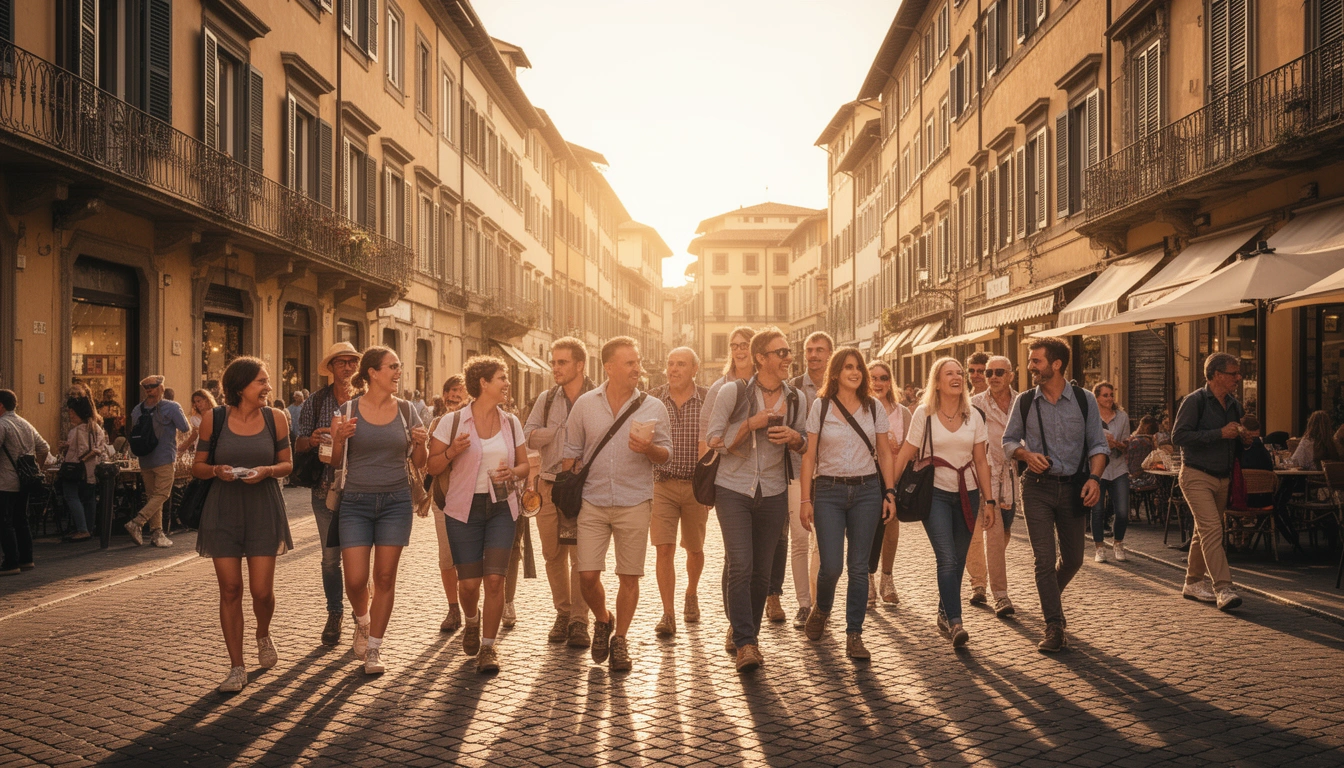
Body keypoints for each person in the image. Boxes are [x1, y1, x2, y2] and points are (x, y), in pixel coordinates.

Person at [563, 336, 671, 672]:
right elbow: (570, 452)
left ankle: (620, 639)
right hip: (592, 500)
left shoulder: (653, 407)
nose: (637, 368)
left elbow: (666, 455)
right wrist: (568, 484)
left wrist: (649, 450)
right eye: (629, 363)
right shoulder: (585, 404)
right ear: (608, 367)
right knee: (586, 575)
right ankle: (603, 618)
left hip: (635, 499)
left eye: (638, 362)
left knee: (629, 576)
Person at [705, 328, 805, 672]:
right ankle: (747, 644)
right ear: (761, 357)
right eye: (780, 352)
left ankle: (744, 630)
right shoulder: (731, 392)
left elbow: (805, 443)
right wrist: (751, 424)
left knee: (762, 573)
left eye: (788, 351)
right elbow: (714, 440)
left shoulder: (796, 399)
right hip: (733, 489)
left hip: (775, 490)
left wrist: (794, 438)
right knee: (741, 564)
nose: (788, 357)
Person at [193, 357, 294, 693]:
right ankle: (237, 667)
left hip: (263, 506)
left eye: (267, 381)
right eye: (261, 382)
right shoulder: (214, 418)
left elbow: (287, 464)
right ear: (240, 387)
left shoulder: (275, 418)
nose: (268, 387)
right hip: (223, 509)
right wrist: (216, 470)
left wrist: (266, 471)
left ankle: (262, 633)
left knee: (261, 592)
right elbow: (197, 466)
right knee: (231, 589)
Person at [1002, 338, 1108, 652]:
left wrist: (1095, 479)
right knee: (1044, 560)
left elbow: (1098, 445)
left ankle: (1049, 599)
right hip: (1037, 487)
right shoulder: (1024, 401)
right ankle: (1053, 625)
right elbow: (1008, 442)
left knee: (1074, 559)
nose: (1030, 367)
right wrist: (1025, 454)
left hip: (1074, 487)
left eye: (1036, 361)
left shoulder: (1084, 399)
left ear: (1056, 364)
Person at [328, 346, 429, 675]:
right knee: (356, 581)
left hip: (396, 502)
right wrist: (339, 439)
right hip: (355, 503)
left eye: (399, 367)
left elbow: (419, 463)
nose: (399, 372)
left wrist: (422, 444)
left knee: (384, 578)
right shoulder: (347, 409)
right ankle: (363, 620)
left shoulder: (406, 410)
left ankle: (374, 649)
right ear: (373, 372)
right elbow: (333, 460)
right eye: (393, 367)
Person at [427, 357, 529, 674]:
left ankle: (488, 647)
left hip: (502, 508)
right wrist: (452, 452)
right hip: (463, 510)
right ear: (483, 383)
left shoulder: (511, 423)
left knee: (495, 581)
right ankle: (472, 621)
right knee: (469, 585)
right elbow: (431, 467)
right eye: (501, 377)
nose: (506, 383)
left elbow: (526, 465)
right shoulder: (452, 422)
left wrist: (512, 471)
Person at [798, 347, 895, 659]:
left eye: (859, 367)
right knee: (831, 566)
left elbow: (884, 451)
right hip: (828, 491)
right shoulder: (821, 406)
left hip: (867, 491)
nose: (855, 372)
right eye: (848, 367)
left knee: (858, 567)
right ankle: (822, 609)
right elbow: (809, 455)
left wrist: (889, 492)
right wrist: (804, 499)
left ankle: (854, 634)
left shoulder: (874, 407)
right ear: (836, 372)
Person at [893, 358, 993, 648]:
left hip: (968, 493)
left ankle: (942, 609)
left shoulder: (973, 415)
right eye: (950, 373)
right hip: (934, 494)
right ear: (936, 381)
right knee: (947, 558)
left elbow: (981, 461)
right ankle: (956, 622)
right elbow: (905, 454)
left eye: (960, 373)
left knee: (958, 561)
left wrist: (990, 501)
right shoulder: (924, 414)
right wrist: (888, 490)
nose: (957, 377)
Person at [523, 338, 596, 648]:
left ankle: (580, 620)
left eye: (561, 362)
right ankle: (563, 613)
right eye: (553, 362)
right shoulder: (547, 398)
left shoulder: (598, 398)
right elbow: (527, 435)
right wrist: (557, 431)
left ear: (579, 365)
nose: (555, 368)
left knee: (582, 556)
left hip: (584, 487)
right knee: (553, 554)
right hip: (550, 484)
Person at [295, 342, 362, 646]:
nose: (347, 367)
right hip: (325, 490)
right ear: (331, 368)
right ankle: (335, 613)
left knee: (359, 559)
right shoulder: (315, 401)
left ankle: (363, 618)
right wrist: (312, 439)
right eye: (341, 362)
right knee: (329, 559)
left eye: (352, 362)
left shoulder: (365, 399)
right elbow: (297, 443)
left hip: (361, 489)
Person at [1173, 352, 1250, 612]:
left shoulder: (1234, 404)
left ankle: (1193, 582)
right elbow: (1179, 436)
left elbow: (1235, 437)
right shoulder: (1194, 401)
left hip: (1223, 477)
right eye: (1233, 373)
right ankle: (1223, 588)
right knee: (1213, 531)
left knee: (1203, 531)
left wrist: (1244, 438)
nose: (1238, 378)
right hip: (1196, 474)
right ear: (1217, 375)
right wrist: (1219, 433)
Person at [649, 347, 709, 638]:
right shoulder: (653, 399)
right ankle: (668, 613)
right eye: (670, 363)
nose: (673, 369)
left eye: (681, 364)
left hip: (697, 486)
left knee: (695, 549)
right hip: (662, 483)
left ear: (694, 369)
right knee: (664, 548)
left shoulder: (708, 399)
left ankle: (692, 592)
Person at [778, 331, 833, 627]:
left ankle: (821, 604)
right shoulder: (792, 388)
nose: (813, 354)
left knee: (824, 543)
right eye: (809, 349)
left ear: (829, 354)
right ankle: (803, 604)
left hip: (832, 475)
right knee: (799, 540)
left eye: (819, 350)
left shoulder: (841, 388)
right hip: (798, 472)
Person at [968, 355, 1017, 618]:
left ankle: (984, 577)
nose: (993, 377)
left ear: (1011, 374)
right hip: (985, 476)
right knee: (992, 535)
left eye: (999, 372)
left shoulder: (1023, 401)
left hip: (1014, 478)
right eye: (989, 373)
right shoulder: (975, 404)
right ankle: (999, 594)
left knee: (1005, 531)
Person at [125, 375, 190, 548]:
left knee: (153, 496)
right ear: (162, 388)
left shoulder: (137, 409)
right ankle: (137, 522)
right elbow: (185, 427)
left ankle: (156, 533)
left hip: (144, 459)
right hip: (164, 457)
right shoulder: (172, 407)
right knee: (162, 495)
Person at [427, 375, 468, 634]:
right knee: (447, 557)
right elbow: (430, 464)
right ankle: (453, 608)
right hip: (443, 498)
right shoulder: (436, 423)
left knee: (471, 559)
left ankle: (472, 607)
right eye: (450, 391)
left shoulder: (476, 421)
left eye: (459, 392)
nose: (454, 396)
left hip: (471, 498)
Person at [867, 360, 910, 606]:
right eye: (873, 378)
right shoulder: (861, 407)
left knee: (891, 527)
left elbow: (908, 446)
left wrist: (894, 479)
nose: (878, 383)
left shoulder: (901, 412)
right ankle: (868, 579)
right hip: (868, 476)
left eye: (883, 378)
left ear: (890, 381)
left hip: (895, 477)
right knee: (868, 529)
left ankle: (887, 578)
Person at [0, 391, 50, 575]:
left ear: (1, 405)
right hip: (25, 482)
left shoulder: (2, 424)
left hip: (5, 481)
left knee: (4, 522)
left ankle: (11, 562)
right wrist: (38, 469)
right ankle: (26, 559)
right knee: (21, 519)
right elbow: (44, 448)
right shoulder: (25, 424)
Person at [1091, 382, 1132, 564]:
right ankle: (1099, 547)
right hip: (1098, 469)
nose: (1109, 398)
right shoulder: (1090, 417)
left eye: (1111, 395)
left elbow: (1126, 445)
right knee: (1097, 510)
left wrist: (1118, 444)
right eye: (1105, 395)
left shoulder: (1122, 417)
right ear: (1097, 397)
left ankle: (1118, 543)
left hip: (1118, 467)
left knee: (1122, 511)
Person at [60, 397, 106, 542]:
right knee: (89, 499)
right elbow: (99, 448)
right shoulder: (96, 428)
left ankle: (82, 529)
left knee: (71, 496)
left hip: (75, 469)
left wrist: (65, 448)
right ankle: (89, 527)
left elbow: (77, 452)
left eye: (72, 412)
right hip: (91, 470)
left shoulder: (77, 431)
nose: (70, 415)